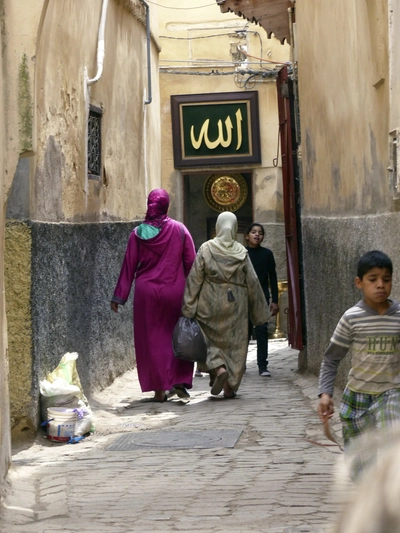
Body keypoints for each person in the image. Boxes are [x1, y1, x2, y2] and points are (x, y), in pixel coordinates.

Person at [318, 250, 400, 476]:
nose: (380, 285)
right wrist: (325, 393)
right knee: (360, 469)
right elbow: (331, 358)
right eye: (373, 280)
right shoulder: (351, 318)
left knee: (394, 438)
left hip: (391, 393)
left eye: (386, 279)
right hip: (358, 398)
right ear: (359, 283)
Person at [111, 189, 196, 402]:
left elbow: (129, 267)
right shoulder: (180, 230)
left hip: (146, 293)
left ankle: (159, 390)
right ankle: (178, 380)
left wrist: (119, 296)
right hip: (174, 291)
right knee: (176, 336)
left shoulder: (138, 233)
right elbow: (191, 263)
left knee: (153, 340)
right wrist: (194, 291)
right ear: (166, 205)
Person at [181, 211, 270, 399]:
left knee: (208, 340)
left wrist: (188, 306)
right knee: (235, 345)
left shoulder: (206, 248)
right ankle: (230, 387)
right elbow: (252, 282)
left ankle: (219, 367)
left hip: (209, 303)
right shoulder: (241, 252)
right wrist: (260, 313)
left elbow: (194, 279)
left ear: (218, 227)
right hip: (236, 305)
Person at [244, 223, 279, 377]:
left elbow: (273, 277)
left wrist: (275, 300)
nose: (257, 235)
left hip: (262, 297)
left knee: (262, 331)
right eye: (253, 232)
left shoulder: (267, 254)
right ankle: (240, 364)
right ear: (247, 236)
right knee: (244, 332)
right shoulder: (242, 253)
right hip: (244, 297)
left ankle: (262, 366)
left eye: (260, 233)